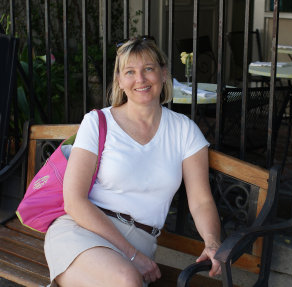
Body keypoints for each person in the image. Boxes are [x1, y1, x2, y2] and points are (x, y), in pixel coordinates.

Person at [44, 36, 221, 287]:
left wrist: (212, 242)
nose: (140, 79)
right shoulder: (97, 123)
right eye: (130, 71)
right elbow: (74, 201)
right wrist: (131, 255)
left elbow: (201, 200)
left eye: (148, 69)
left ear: (163, 73)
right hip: (83, 230)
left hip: (141, 242)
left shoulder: (185, 131)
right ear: (120, 80)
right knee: (126, 281)